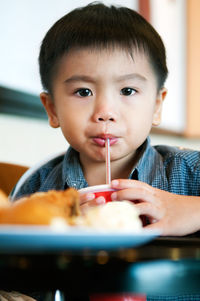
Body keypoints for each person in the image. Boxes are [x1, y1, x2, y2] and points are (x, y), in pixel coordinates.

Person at [8, 2, 200, 300]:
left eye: (127, 91)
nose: (106, 112)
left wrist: (191, 209)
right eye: (83, 92)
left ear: (157, 105)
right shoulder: (37, 191)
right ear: (52, 108)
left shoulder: (190, 172)